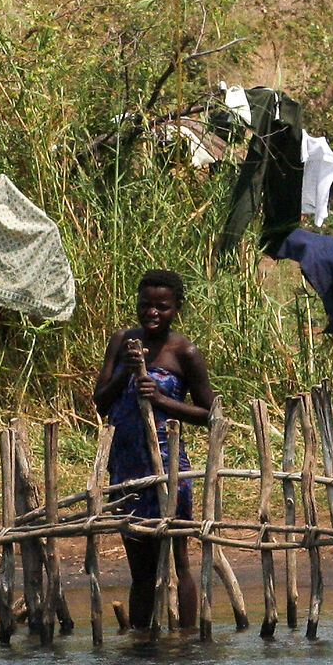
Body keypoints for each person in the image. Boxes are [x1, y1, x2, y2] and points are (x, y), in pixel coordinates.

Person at [93, 269, 215, 631]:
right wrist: (125, 375)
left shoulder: (185, 352)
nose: (152, 313)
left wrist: (161, 398)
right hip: (127, 466)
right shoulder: (122, 341)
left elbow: (209, 414)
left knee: (179, 558)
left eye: (161, 306)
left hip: (167, 465)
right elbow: (101, 401)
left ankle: (187, 639)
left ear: (176, 308)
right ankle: (142, 643)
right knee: (140, 567)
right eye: (145, 305)